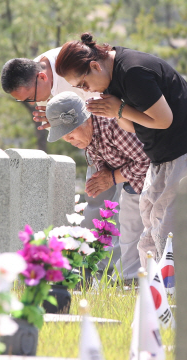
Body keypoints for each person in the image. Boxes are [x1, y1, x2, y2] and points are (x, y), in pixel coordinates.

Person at [55, 33, 187, 265]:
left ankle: (172, 292)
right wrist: (114, 111)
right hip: (161, 154)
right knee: (151, 221)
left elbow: (164, 120)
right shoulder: (111, 76)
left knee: (170, 225)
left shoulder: (133, 72)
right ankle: (153, 289)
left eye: (84, 84)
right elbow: (132, 126)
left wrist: (119, 109)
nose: (87, 90)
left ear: (94, 66)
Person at [1, 50, 134, 278]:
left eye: (31, 98)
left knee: (123, 207)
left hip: (122, 138)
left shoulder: (69, 68)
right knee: (95, 200)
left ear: (42, 78)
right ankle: (91, 268)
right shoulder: (35, 70)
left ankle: (117, 272)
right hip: (94, 145)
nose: (35, 103)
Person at [46, 91, 149, 282]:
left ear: (85, 120)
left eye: (70, 132)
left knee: (143, 238)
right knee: (126, 236)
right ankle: (121, 281)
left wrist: (111, 178)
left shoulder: (112, 126)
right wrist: (104, 175)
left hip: (154, 184)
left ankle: (133, 283)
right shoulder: (88, 136)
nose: (68, 140)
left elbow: (147, 160)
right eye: (64, 136)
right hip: (133, 184)